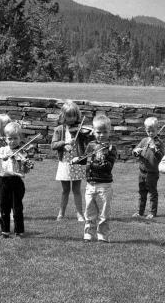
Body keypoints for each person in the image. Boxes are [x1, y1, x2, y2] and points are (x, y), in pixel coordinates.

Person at [72, 114, 117, 243]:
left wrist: (102, 159)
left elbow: (108, 167)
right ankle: (89, 234)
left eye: (104, 132)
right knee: (89, 211)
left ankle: (102, 235)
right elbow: (86, 158)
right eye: (98, 132)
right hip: (90, 183)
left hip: (104, 185)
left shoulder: (111, 148)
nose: (101, 135)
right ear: (94, 131)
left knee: (104, 213)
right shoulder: (91, 145)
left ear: (109, 131)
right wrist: (78, 160)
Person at [0, 122, 34, 238]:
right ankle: (5, 231)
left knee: (17, 207)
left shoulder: (22, 152)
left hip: (16, 181)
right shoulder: (2, 150)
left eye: (15, 138)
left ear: (20, 139)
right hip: (3, 181)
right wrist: (0, 156)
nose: (12, 141)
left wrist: (25, 164)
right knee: (4, 206)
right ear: (5, 138)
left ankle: (19, 231)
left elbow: (25, 171)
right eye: (10, 139)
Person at [51, 100, 90, 222]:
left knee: (77, 190)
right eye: (69, 116)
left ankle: (80, 214)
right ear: (63, 116)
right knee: (65, 190)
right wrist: (64, 144)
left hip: (77, 162)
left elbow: (88, 142)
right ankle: (61, 213)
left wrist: (89, 135)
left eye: (74, 116)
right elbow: (53, 144)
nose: (72, 119)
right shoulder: (59, 129)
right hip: (65, 163)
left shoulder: (80, 129)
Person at [132, 117, 164, 219]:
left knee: (152, 193)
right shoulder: (144, 140)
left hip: (152, 173)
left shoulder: (159, 143)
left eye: (153, 131)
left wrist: (154, 149)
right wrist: (136, 152)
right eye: (148, 131)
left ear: (157, 130)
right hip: (142, 171)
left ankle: (152, 212)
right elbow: (135, 151)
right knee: (142, 192)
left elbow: (161, 157)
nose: (150, 133)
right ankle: (140, 212)